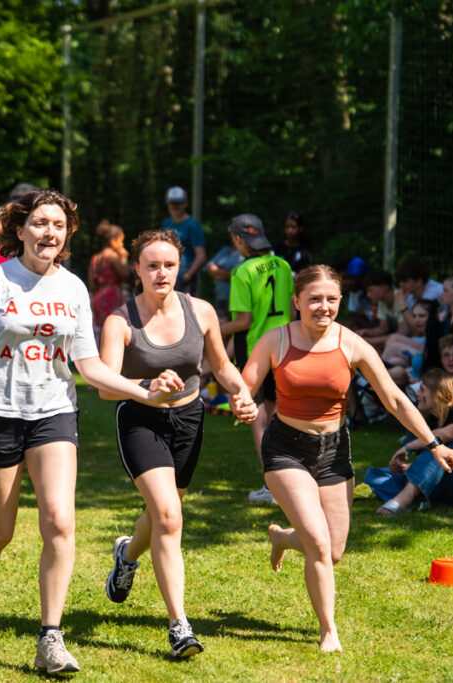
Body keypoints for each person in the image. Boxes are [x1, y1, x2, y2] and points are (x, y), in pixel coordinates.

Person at [0, 189, 176, 673]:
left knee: (59, 521)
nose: (48, 232)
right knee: (0, 530)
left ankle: (50, 638)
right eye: (39, 223)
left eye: (57, 225)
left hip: (53, 413)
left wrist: (143, 390)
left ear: (67, 234)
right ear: (20, 229)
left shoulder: (73, 288)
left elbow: (90, 365)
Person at [237, 264, 453, 652]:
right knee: (320, 546)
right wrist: (241, 402)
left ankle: (283, 538)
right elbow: (246, 384)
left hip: (334, 451)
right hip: (285, 448)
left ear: (340, 301)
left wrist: (433, 442)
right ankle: (329, 631)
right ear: (297, 302)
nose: (323, 307)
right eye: (314, 299)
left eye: (331, 299)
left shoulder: (352, 343)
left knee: (333, 550)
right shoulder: (276, 340)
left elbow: (393, 398)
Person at [98, 230, 255, 658]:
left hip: (189, 417)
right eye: (152, 265)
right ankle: (179, 625)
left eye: (169, 264)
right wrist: (147, 384)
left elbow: (221, 365)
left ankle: (126, 557)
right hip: (140, 420)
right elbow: (106, 387)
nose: (161, 272)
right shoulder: (121, 321)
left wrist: (241, 393)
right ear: (138, 270)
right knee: (168, 516)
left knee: (165, 511)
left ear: (179, 267)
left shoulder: (200, 310)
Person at [219, 214, 293, 505]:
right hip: (285, 345)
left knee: (256, 414)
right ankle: (287, 479)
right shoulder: (285, 265)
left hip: (254, 352)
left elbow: (243, 321)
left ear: (239, 239)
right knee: (278, 412)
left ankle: (272, 483)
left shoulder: (242, 271)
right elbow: (293, 311)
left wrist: (209, 329)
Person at [365, 368, 453, 513]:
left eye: (422, 390)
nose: (417, 394)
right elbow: (426, 463)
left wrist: (407, 447)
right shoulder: (430, 420)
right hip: (444, 487)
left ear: (438, 394)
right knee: (373, 475)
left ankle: (402, 501)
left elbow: (446, 434)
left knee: (441, 447)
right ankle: (418, 498)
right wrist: (402, 468)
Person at [87, 219, 130, 339]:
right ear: (113, 241)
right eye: (121, 241)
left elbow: (92, 283)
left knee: (100, 334)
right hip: (112, 298)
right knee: (113, 332)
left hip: (98, 299)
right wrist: (124, 259)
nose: (122, 245)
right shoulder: (113, 257)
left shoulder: (95, 258)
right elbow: (125, 275)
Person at [161, 186, 206, 295]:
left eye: (179, 203)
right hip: (166, 275)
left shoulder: (193, 226)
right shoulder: (166, 224)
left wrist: (187, 276)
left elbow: (201, 255)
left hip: (184, 278)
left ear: (185, 204)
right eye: (172, 203)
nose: (175, 206)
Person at [203, 232, 245, 323]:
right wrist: (227, 274)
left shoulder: (243, 254)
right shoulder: (225, 250)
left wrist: (217, 273)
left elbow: (237, 275)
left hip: (234, 299)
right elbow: (209, 267)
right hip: (221, 298)